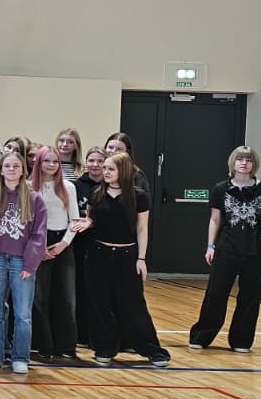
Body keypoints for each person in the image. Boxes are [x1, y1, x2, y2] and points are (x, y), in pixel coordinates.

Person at [188, 146, 261, 353]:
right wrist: (210, 245)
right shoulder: (221, 188)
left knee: (250, 297)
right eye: (240, 159)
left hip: (256, 250)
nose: (244, 163)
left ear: (254, 164)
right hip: (226, 248)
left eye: (248, 160)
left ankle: (241, 341)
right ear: (233, 163)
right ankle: (202, 335)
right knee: (216, 293)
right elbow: (215, 219)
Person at [83, 152, 169, 367]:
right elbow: (91, 220)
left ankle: (151, 349)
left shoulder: (138, 196)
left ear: (123, 170)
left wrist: (141, 258)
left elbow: (142, 228)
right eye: (105, 168)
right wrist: (87, 223)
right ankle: (105, 347)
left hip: (127, 255)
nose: (105, 172)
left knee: (133, 304)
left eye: (110, 169)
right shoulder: (96, 193)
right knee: (100, 303)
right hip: (98, 254)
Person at [0, 151, 47, 374]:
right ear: (1, 170)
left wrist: (30, 263)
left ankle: (20, 357)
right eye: (7, 165)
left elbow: (39, 234)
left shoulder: (34, 198)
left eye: (16, 165)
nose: (11, 169)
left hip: (21, 261)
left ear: (23, 169)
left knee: (23, 314)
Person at [30, 146, 84, 361]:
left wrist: (63, 244)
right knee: (39, 297)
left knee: (66, 297)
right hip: (38, 243)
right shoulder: (30, 187)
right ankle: (44, 344)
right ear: (38, 162)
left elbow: (75, 220)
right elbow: (27, 220)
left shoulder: (68, 187)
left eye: (55, 161)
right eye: (47, 161)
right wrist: (39, 246)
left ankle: (66, 345)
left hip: (63, 243)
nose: (51, 165)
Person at [72, 146, 105, 347]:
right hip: (79, 245)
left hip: (102, 245)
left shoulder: (111, 187)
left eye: (100, 161)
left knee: (99, 292)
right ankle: (81, 334)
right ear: (85, 162)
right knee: (80, 289)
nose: (95, 165)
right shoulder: (76, 186)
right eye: (91, 160)